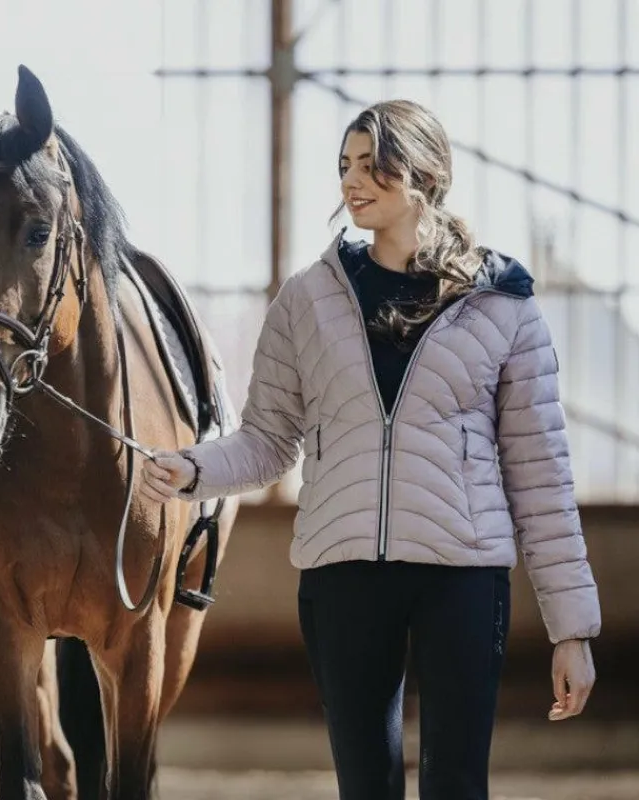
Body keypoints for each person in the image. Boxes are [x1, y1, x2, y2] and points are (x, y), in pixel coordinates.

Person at [140, 99, 600, 800]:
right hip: (343, 574)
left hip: (463, 577)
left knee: (456, 784)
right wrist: (192, 469)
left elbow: (541, 480)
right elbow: (268, 441)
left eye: (372, 166)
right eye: (345, 166)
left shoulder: (503, 305)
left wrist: (573, 632)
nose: (353, 182)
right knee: (365, 786)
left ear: (424, 173)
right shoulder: (305, 300)